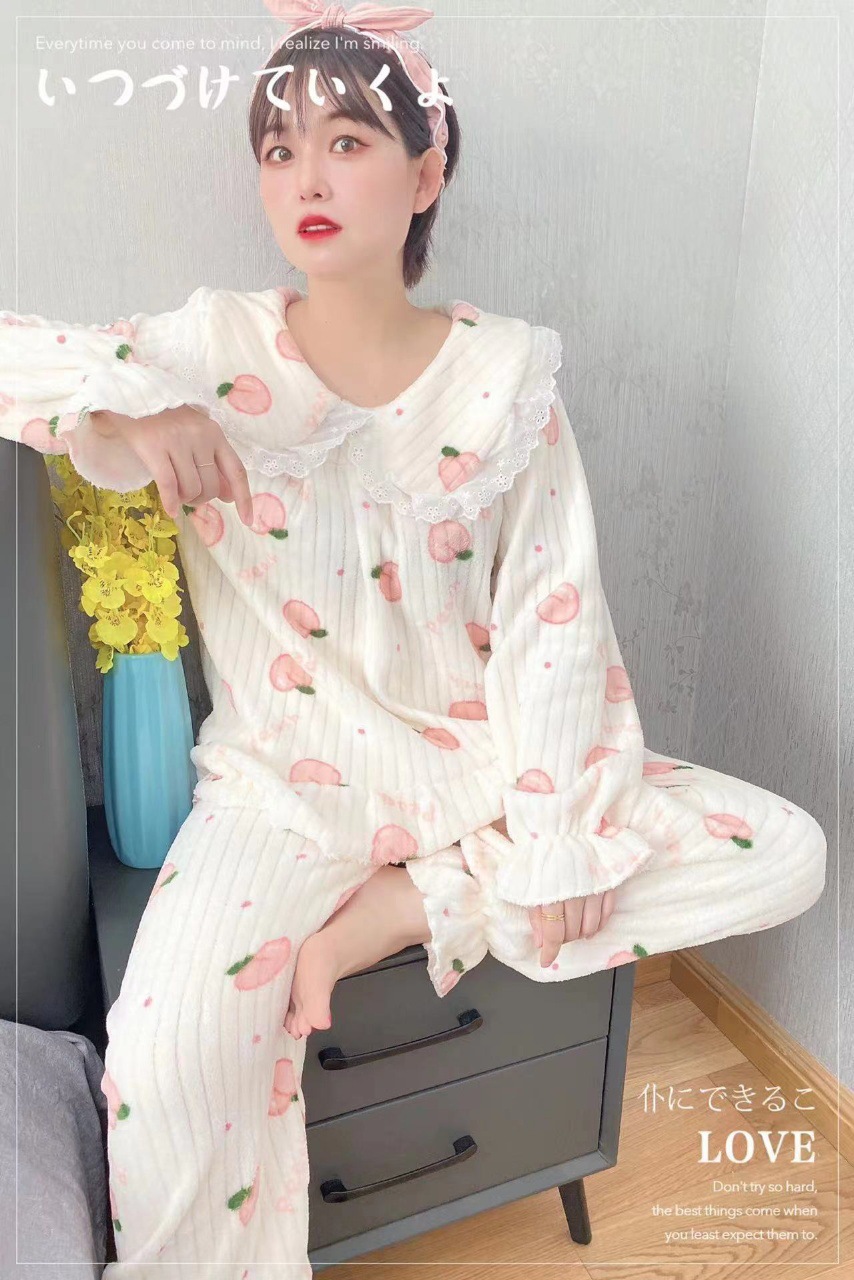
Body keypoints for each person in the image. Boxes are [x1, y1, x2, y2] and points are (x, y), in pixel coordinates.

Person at [0, 2, 828, 1273]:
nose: (307, 178)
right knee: (162, 1063)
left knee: (783, 849)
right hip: (279, 793)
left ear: (426, 172)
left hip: (471, 780)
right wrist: (126, 416)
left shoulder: (504, 379)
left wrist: (548, 832)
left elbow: (553, 624)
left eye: (346, 141)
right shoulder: (210, 349)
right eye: (279, 149)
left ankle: (415, 903)